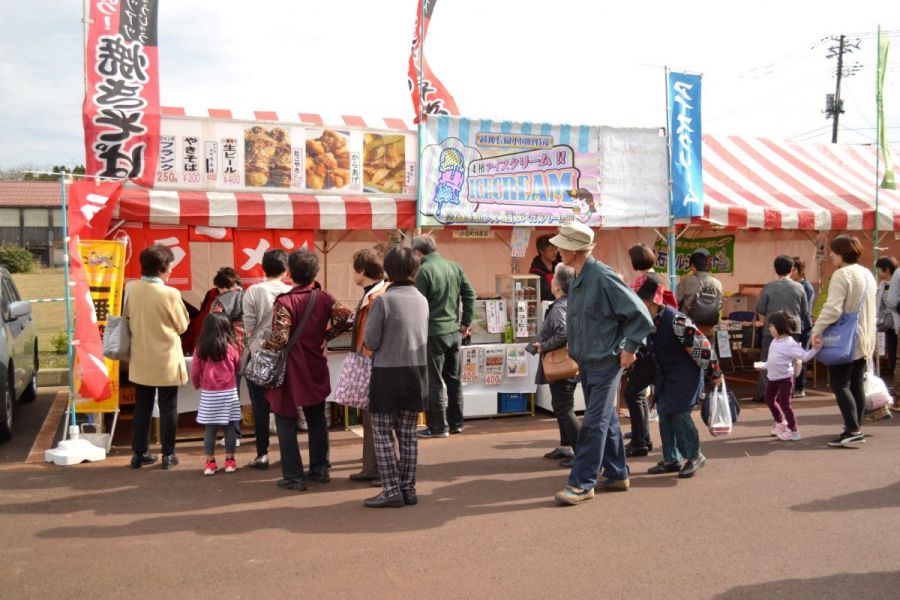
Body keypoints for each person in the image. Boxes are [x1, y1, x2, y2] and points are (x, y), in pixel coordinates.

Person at [550, 222, 655, 505]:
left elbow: (640, 314)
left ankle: (582, 483)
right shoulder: (581, 276)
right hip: (590, 361)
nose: (557, 249)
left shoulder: (602, 275)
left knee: (593, 423)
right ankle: (618, 473)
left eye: (561, 245)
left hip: (606, 362)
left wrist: (630, 348)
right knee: (605, 420)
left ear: (575, 249)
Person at [262, 248, 352, 491]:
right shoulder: (324, 297)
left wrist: (263, 346)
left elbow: (280, 339)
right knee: (316, 418)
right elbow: (349, 318)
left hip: (290, 366)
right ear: (315, 273)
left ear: (290, 273)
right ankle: (319, 468)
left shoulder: (285, 301)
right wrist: (326, 336)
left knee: (285, 419)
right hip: (313, 362)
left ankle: (293, 475)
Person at [362, 247, 429, 508]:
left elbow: (371, 340)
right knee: (408, 434)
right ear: (415, 269)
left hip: (387, 373)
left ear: (387, 271)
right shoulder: (422, 299)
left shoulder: (383, 301)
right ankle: (408, 489)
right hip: (416, 371)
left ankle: (391, 490)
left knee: (382, 433)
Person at [637, 274, 722, 479]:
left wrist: (715, 372)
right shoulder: (650, 320)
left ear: (651, 302)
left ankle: (694, 455)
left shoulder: (676, 319)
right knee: (665, 413)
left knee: (680, 413)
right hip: (666, 374)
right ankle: (671, 459)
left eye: (641, 301)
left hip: (685, 374)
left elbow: (702, 346)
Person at [125, 245, 190, 470]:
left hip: (141, 357)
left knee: (142, 407)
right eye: (170, 265)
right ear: (163, 268)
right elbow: (182, 326)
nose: (171, 270)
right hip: (166, 360)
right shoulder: (170, 293)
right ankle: (168, 455)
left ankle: (139, 453)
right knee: (168, 407)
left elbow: (128, 316)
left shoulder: (132, 288)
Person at [811, 235, 876, 449]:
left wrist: (817, 329)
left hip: (845, 339)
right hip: (865, 337)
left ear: (842, 253)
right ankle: (854, 426)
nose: (830, 255)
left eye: (833, 251)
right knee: (856, 383)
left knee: (840, 384)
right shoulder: (867, 273)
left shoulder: (842, 275)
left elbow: (833, 308)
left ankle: (853, 430)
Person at [412, 234, 476, 438]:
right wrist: (465, 322)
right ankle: (456, 423)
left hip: (433, 332)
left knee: (435, 381)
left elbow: (419, 305)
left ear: (418, 252)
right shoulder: (454, 266)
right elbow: (470, 294)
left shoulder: (423, 271)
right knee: (454, 379)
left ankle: (438, 427)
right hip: (454, 331)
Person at [624, 243, 677, 456]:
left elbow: (633, 312)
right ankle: (643, 437)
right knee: (641, 393)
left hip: (647, 343)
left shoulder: (642, 282)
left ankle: (640, 440)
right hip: (660, 341)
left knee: (633, 392)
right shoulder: (663, 278)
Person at [241, 249, 292, 469]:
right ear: (286, 269)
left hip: (259, 353)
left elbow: (248, 325)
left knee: (259, 405)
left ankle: (262, 454)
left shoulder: (253, 291)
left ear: (263, 268)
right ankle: (288, 454)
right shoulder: (292, 291)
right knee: (284, 405)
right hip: (284, 356)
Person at [531, 263, 580, 467]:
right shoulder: (573, 302)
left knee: (564, 408)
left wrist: (543, 346)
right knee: (561, 406)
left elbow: (563, 333)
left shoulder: (560, 306)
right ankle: (566, 446)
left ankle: (581, 452)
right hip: (571, 360)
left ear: (557, 285)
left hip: (562, 363)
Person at [348, 248, 388, 485]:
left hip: (373, 363)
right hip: (368, 361)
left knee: (378, 420)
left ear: (362, 271)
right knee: (369, 419)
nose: (352, 273)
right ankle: (370, 467)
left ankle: (381, 470)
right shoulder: (373, 294)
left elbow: (373, 336)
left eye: (354, 269)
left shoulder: (377, 297)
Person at [754, 311, 821, 442]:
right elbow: (773, 361)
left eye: (772, 325)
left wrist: (816, 349)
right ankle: (780, 422)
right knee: (769, 400)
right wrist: (763, 365)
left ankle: (793, 430)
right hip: (773, 378)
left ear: (780, 326)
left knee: (785, 404)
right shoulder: (775, 341)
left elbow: (805, 357)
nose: (769, 328)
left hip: (785, 379)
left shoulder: (790, 343)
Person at [191, 312, 242, 475]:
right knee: (230, 428)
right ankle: (230, 461)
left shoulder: (200, 348)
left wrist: (197, 384)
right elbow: (238, 367)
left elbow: (195, 371)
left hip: (210, 394)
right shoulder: (231, 348)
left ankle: (210, 463)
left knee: (210, 428)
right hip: (229, 393)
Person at [754, 256, 809, 403]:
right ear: (791, 270)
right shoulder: (799, 287)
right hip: (793, 329)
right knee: (789, 362)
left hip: (772, 329)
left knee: (767, 360)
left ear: (775, 269)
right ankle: (786, 394)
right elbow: (804, 311)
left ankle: (764, 394)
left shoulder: (769, 287)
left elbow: (760, 308)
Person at [675, 249, 723, 339]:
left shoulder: (688, 281)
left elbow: (674, 300)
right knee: (707, 352)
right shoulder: (717, 283)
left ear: (693, 266)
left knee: (688, 353)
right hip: (710, 330)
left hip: (690, 329)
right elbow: (719, 305)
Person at [790, 256, 816, 397]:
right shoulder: (793, 285)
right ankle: (793, 386)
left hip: (804, 327)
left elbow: (805, 310)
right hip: (794, 326)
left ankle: (800, 387)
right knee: (792, 357)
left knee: (800, 357)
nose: (791, 272)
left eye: (793, 269)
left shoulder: (806, 287)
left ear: (800, 271)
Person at [875, 257, 898, 374]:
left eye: (879, 269)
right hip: (889, 325)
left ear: (887, 269)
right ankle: (896, 385)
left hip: (897, 322)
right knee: (893, 354)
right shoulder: (883, 285)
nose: (878, 271)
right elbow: (879, 305)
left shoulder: (897, 282)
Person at [529, 234, 561, 302]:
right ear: (541, 251)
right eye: (551, 250)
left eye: (556, 249)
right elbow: (547, 295)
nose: (555, 252)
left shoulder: (559, 266)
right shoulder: (535, 271)